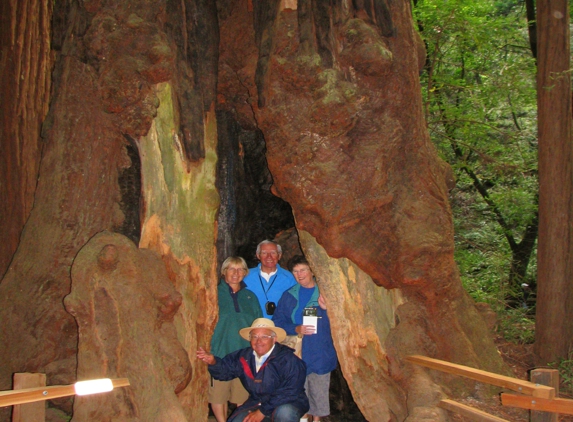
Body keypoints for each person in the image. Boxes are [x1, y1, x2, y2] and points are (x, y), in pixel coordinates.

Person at [197, 318, 309, 422]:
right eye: (254, 337)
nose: (258, 341)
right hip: (258, 403)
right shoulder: (244, 356)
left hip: (288, 403)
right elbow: (225, 371)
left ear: (274, 339)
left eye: (264, 337)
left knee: (285, 413)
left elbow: (290, 391)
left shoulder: (288, 359)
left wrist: (262, 411)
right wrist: (213, 362)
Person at [273, 256, 337, 422]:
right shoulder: (290, 295)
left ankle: (316, 420)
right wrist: (295, 328)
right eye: (295, 271)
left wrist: (326, 310)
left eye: (303, 270)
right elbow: (277, 321)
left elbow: (341, 323)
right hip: (297, 351)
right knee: (299, 390)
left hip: (320, 350)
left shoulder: (326, 292)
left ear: (312, 271)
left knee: (319, 391)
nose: (299, 274)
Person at [209, 257, 263, 422]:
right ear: (224, 271)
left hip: (244, 355)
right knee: (218, 397)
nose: (235, 273)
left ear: (245, 273)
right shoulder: (214, 293)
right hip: (220, 353)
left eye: (240, 269)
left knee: (243, 397)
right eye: (231, 269)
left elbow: (258, 323)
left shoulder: (250, 297)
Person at [243, 240, 297, 319]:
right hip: (252, 324)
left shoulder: (290, 278)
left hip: (280, 326)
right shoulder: (246, 276)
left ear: (279, 255)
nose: (269, 257)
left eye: (273, 253)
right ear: (258, 255)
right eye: (264, 253)